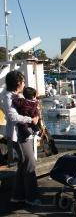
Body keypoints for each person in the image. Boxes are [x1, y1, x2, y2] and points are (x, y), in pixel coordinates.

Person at [3, 70, 41, 206]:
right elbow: (13, 117)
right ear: (18, 83)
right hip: (18, 135)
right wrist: (31, 119)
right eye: (23, 81)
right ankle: (32, 197)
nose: (24, 83)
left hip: (25, 133)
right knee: (30, 162)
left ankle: (18, 195)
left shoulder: (17, 95)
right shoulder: (7, 96)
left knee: (23, 164)